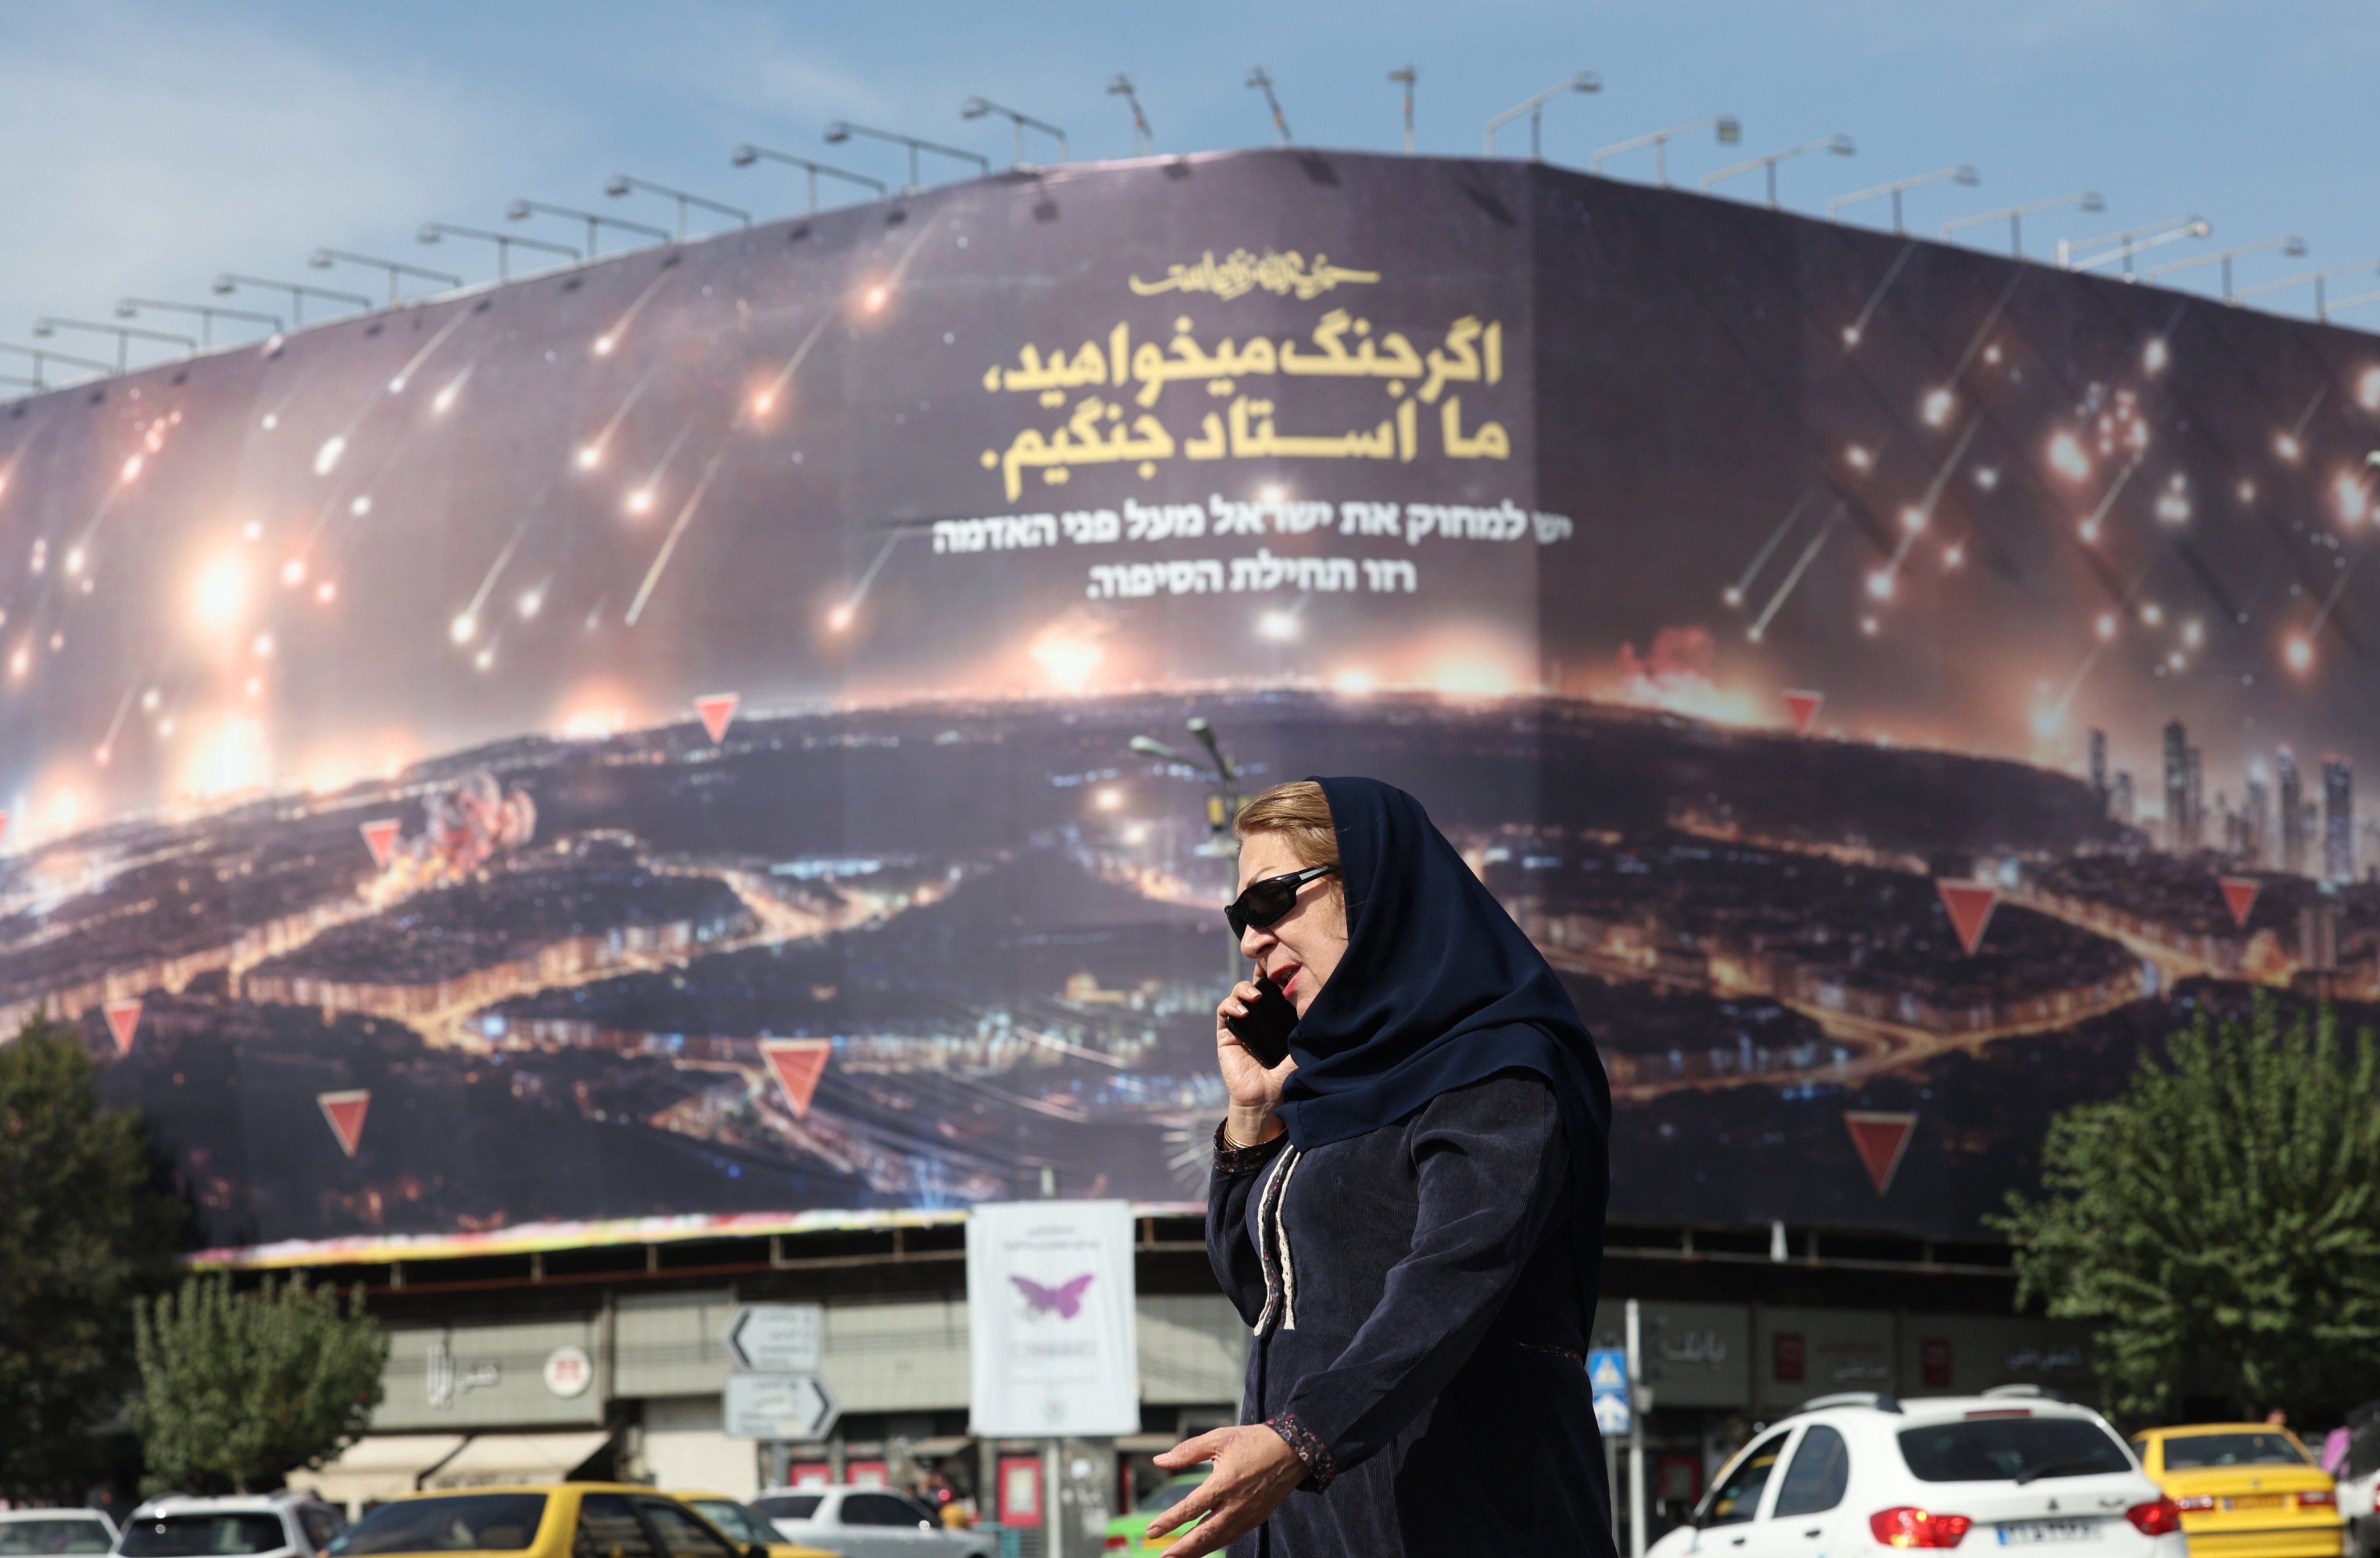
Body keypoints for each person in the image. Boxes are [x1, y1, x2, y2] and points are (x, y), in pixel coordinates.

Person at [1147, 776, 1615, 1558]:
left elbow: (1454, 1276)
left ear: (1369, 890)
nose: (1251, 940)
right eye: (1240, 918)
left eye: (1268, 902)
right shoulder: (1331, 1087)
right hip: (1323, 1527)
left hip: (1468, 1523)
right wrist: (1254, 1119)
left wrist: (1302, 1438)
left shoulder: (1496, 1070)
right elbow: (1266, 1295)